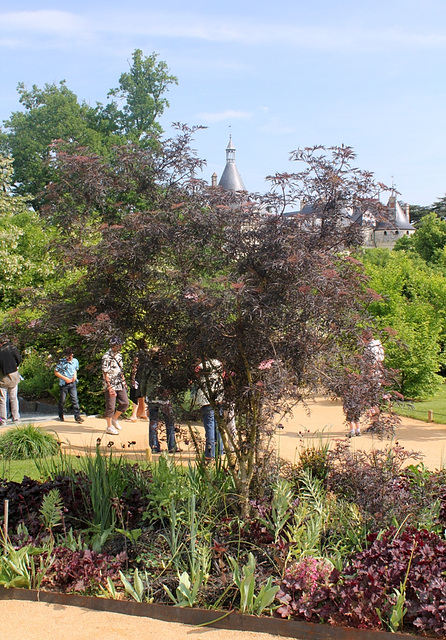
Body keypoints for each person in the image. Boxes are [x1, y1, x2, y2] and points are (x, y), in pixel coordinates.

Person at [145, 348, 177, 453]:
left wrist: (144, 395)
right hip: (164, 398)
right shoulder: (166, 368)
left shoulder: (148, 367)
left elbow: (143, 381)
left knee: (153, 422)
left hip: (152, 398)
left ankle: (154, 446)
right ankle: (171, 446)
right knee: (169, 422)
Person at [193, 359, 225, 461]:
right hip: (218, 398)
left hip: (206, 399)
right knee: (217, 426)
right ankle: (219, 450)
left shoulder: (200, 366)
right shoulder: (219, 363)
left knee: (210, 426)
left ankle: (210, 453)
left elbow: (196, 378)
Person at [102, 337, 129, 436]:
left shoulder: (119, 355)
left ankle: (114, 419)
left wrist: (124, 381)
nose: (120, 347)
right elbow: (105, 373)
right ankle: (109, 426)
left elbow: (120, 370)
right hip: (111, 384)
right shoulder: (106, 357)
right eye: (118, 345)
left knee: (125, 402)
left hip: (119, 383)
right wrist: (109, 386)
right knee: (110, 406)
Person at [54, 348, 84, 423]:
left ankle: (77, 416)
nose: (69, 358)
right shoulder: (61, 362)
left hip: (72, 383)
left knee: (75, 400)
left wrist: (75, 376)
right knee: (62, 400)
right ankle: (61, 415)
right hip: (64, 384)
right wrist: (65, 378)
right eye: (67, 356)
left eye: (70, 356)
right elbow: (56, 372)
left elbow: (75, 370)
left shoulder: (75, 361)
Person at [0, 334, 21, 424]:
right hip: (13, 376)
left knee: (2, 399)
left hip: (2, 377)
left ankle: (3, 420)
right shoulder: (13, 348)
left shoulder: (0, 351)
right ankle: (16, 418)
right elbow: (19, 360)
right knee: (13, 398)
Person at [129, 339, 149, 421]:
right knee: (142, 395)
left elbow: (135, 366)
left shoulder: (138, 354)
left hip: (138, 377)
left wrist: (132, 378)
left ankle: (134, 415)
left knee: (134, 395)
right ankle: (143, 413)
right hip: (145, 377)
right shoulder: (148, 354)